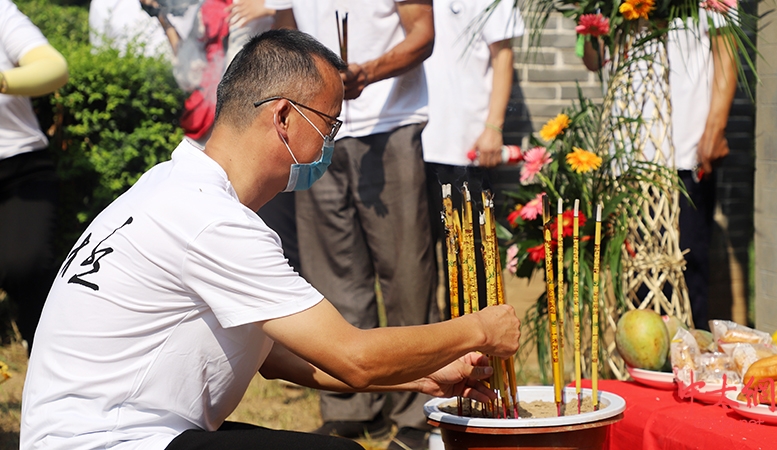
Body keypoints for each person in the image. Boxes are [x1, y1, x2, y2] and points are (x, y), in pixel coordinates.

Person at [19, 29, 521, 450]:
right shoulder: (211, 220)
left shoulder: (169, 188)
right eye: (329, 125)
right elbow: (354, 357)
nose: (331, 145)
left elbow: (277, 355)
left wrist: (419, 375)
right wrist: (479, 328)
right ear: (283, 118)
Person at [270, 2, 439, 448]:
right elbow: (284, 32)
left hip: (389, 125)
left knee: (406, 276)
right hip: (318, 130)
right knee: (332, 276)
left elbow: (422, 34)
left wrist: (368, 72)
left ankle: (417, 413)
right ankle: (351, 406)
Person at [583, 10, 738, 330]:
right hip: (629, 156)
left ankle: (686, 366)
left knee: (687, 269)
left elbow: (726, 48)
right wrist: (589, 20)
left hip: (685, 150)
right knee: (634, 273)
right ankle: (640, 372)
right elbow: (593, 60)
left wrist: (716, 127)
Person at [422, 0, 524, 316]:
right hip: (412, 141)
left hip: (464, 145)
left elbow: (503, 54)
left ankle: (480, 353)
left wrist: (494, 125)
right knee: (421, 262)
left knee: (473, 262)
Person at [0, 0, 69, 354]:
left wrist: (2, 80)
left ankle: (47, 352)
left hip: (20, 166)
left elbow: (54, 68)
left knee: (24, 265)